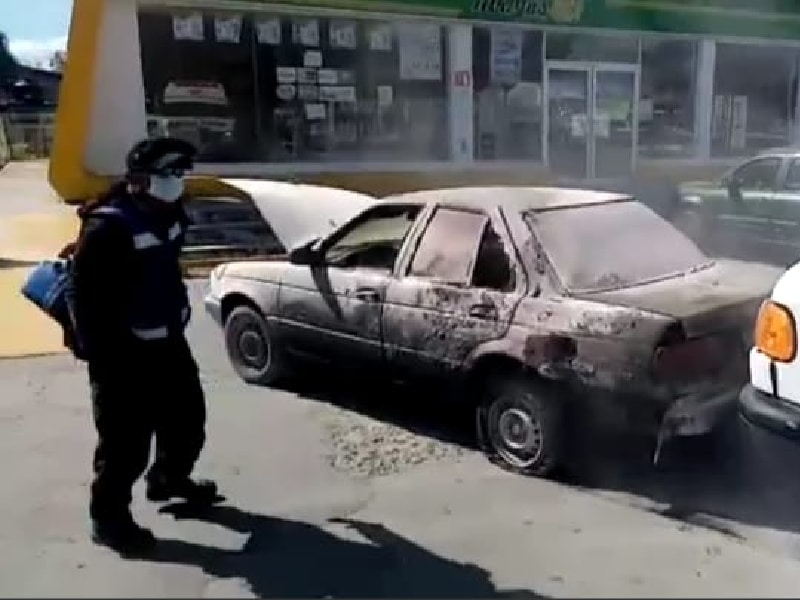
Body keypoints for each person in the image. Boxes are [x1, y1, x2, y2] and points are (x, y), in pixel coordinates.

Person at [71, 137, 219, 554]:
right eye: (169, 174)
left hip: (167, 341)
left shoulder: (168, 212)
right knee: (125, 444)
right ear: (139, 181)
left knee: (187, 420)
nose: (178, 182)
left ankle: (170, 480)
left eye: (181, 172)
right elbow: (87, 302)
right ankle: (109, 518)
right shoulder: (108, 226)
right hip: (121, 354)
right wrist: (105, 358)